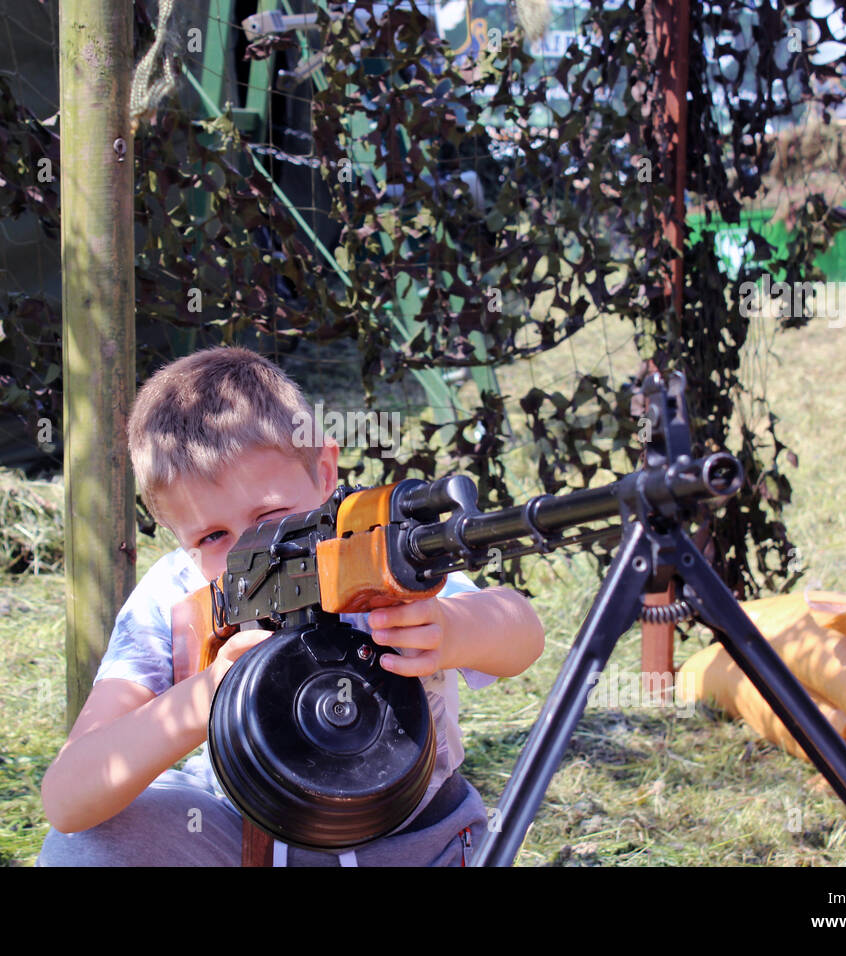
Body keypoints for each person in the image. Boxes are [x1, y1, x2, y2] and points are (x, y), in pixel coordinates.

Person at [37, 346, 545, 866]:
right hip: (241, 841)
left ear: (325, 472)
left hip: (417, 842)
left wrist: (453, 628)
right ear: (174, 533)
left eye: (273, 515)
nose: (249, 549)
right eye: (213, 535)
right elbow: (67, 798)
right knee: (86, 846)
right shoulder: (176, 593)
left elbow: (524, 635)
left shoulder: (370, 550)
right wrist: (202, 697)